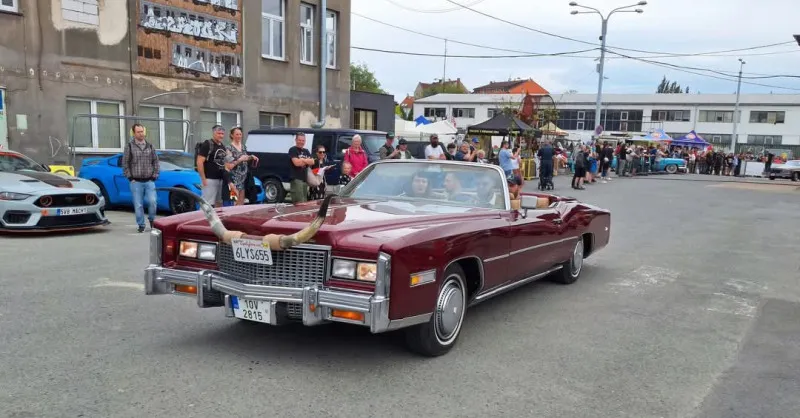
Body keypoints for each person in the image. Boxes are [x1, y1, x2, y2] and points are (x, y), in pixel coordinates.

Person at [122, 123, 159, 233]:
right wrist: (130, 177)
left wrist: (155, 175)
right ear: (134, 133)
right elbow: (125, 163)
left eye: (142, 131)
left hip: (149, 180)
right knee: (138, 205)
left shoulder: (150, 146)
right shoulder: (129, 146)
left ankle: (152, 220)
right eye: (138, 132)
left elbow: (156, 161)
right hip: (136, 181)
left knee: (153, 202)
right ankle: (141, 224)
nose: (141, 134)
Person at [224, 127, 258, 206]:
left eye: (240, 134)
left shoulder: (243, 147)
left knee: (241, 202)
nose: (239, 136)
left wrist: (251, 157)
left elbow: (245, 158)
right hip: (233, 180)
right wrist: (240, 160)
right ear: (232, 135)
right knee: (234, 202)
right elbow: (229, 166)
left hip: (243, 179)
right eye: (237, 134)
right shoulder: (228, 148)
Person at [196, 125, 228, 207]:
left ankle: (217, 219)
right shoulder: (207, 144)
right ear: (214, 133)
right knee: (207, 203)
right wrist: (203, 179)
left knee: (219, 203)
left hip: (221, 179)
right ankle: (204, 219)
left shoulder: (222, 146)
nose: (221, 135)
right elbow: (199, 162)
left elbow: (226, 162)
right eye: (219, 133)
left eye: (222, 134)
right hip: (209, 179)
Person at [288, 132, 315, 203]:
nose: (301, 142)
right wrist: (306, 161)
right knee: (299, 203)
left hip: (304, 180)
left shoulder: (306, 151)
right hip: (296, 180)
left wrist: (302, 160)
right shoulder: (292, 150)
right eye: (299, 140)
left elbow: (312, 162)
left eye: (303, 140)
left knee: (304, 202)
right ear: (296, 140)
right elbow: (296, 163)